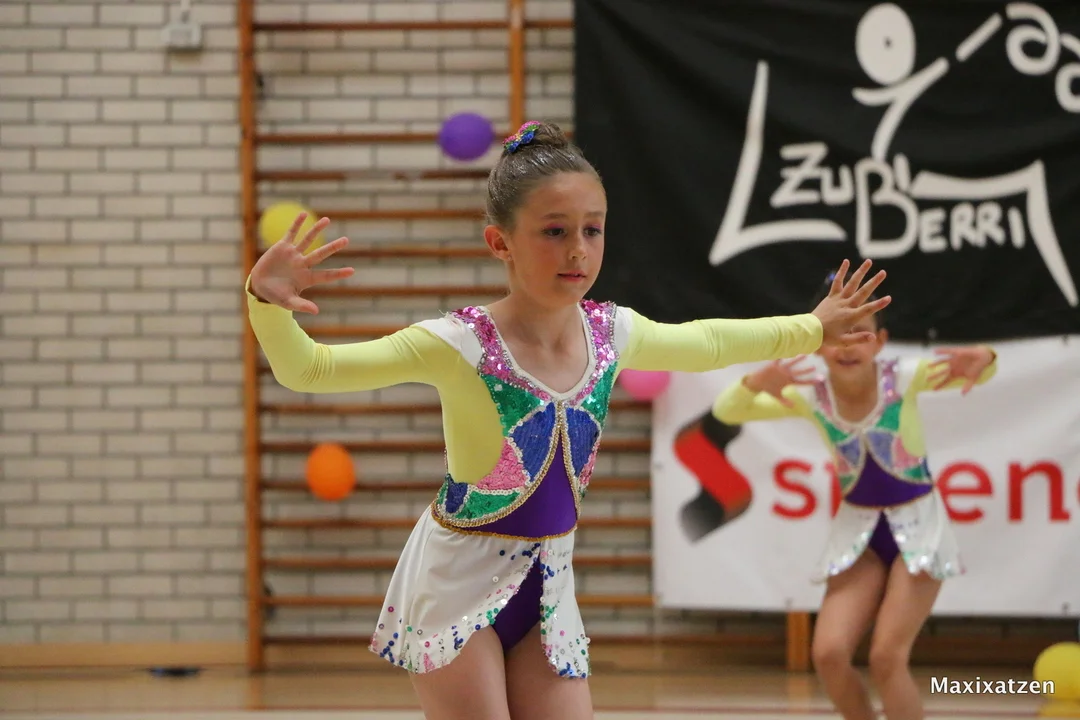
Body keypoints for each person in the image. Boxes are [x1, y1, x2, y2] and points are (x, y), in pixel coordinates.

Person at [245, 120, 890, 720]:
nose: (578, 250)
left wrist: (812, 328)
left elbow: (709, 342)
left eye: (593, 230)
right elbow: (312, 370)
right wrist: (267, 304)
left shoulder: (612, 333)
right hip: (456, 584)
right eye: (554, 231)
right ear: (499, 242)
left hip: (548, 582)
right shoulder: (459, 344)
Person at [711, 273, 997, 720]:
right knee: (827, 654)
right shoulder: (811, 397)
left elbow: (979, 370)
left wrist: (987, 357)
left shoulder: (905, 379)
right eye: (834, 335)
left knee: (886, 657)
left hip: (919, 532)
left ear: (880, 342)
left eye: (860, 333)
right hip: (859, 537)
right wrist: (754, 382)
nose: (847, 346)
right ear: (816, 344)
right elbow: (727, 411)